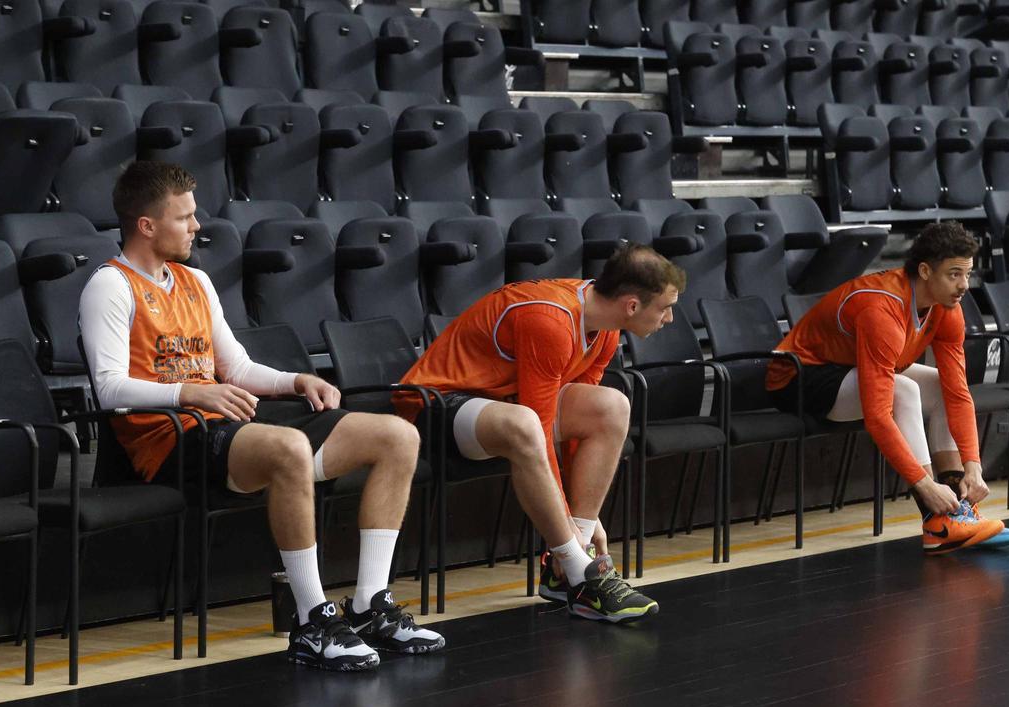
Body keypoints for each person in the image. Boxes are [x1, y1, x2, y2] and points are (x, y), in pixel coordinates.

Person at [80, 161, 443, 672]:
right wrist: (192, 394)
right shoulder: (110, 286)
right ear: (146, 225)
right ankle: (313, 621)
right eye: (183, 217)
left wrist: (296, 381)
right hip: (165, 441)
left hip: (223, 428)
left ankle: (369, 606)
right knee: (289, 447)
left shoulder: (194, 282)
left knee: (397, 436)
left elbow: (237, 367)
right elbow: (109, 386)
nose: (196, 225)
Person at [397, 244, 685, 621]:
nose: (671, 318)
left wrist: (583, 521)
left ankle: (563, 571)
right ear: (632, 305)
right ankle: (581, 573)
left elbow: (574, 435)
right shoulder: (550, 320)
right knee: (526, 424)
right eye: (664, 307)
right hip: (433, 407)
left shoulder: (606, 328)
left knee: (610, 405)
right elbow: (540, 427)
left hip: (498, 407)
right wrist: (565, 523)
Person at [766, 221, 1009, 554]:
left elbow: (957, 391)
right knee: (905, 391)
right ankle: (937, 516)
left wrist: (973, 464)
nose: (964, 286)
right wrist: (922, 484)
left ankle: (957, 511)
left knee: (941, 387)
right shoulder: (881, 308)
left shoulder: (947, 310)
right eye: (954, 274)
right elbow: (877, 415)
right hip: (798, 377)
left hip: (851, 367)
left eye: (968, 274)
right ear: (926, 271)